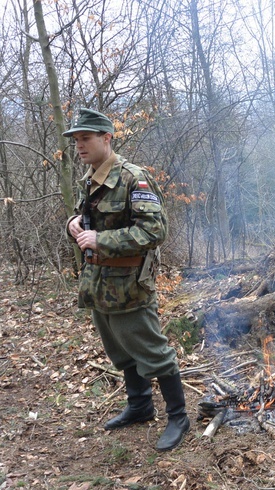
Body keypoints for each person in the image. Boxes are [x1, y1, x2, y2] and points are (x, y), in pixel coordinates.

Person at [63, 108, 190, 451]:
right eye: (76, 140)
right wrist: (74, 223)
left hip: (130, 285)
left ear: (107, 138)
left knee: (153, 352)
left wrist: (102, 240)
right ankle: (140, 406)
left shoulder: (134, 178)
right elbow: (89, 220)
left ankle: (178, 416)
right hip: (98, 283)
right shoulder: (91, 178)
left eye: (85, 139)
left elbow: (155, 230)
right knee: (120, 351)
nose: (79, 146)